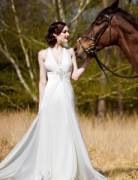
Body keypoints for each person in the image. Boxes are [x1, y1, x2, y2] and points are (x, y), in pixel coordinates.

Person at [0, 22, 106, 180]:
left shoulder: (70, 52)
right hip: (50, 98)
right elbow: (42, 82)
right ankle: (47, 170)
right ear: (55, 34)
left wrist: (88, 61)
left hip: (66, 96)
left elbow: (75, 76)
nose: (68, 35)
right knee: (49, 133)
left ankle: (65, 171)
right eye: (64, 32)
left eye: (68, 32)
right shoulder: (42, 54)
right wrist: (40, 106)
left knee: (66, 133)